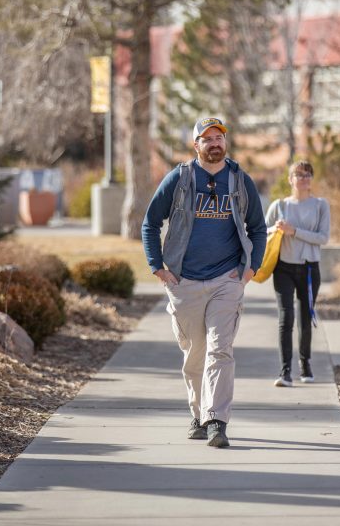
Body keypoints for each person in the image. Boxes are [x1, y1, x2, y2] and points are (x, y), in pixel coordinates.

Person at [142, 117, 267, 448]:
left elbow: (258, 227)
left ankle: (217, 421)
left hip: (227, 280)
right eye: (207, 138)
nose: (215, 143)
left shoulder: (239, 180)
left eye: (219, 137)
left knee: (220, 350)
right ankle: (198, 414)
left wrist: (251, 268)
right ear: (195, 145)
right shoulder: (180, 178)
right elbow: (150, 223)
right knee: (194, 354)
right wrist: (158, 268)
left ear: (226, 143)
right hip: (185, 282)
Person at [265, 160, 331, 387]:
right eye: (299, 174)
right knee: (286, 319)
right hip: (283, 267)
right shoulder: (279, 206)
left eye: (308, 174)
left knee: (305, 318)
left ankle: (306, 363)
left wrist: (294, 231)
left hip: (310, 269)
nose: (304, 178)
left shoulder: (321, 205)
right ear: (290, 179)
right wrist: (276, 229)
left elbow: (323, 238)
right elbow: (262, 232)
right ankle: (285, 372)